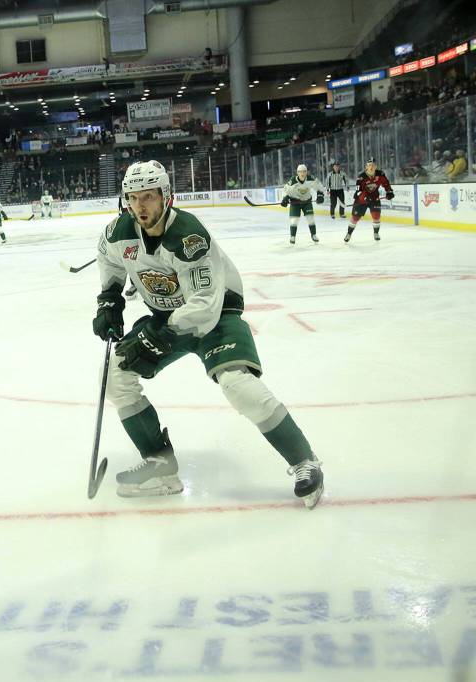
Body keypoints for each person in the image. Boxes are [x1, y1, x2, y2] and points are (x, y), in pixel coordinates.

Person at [91, 160, 323, 509]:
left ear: (166, 196)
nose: (141, 206)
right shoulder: (117, 232)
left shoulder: (188, 236)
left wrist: (163, 336)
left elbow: (204, 304)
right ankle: (160, 465)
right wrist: (109, 299)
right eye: (134, 198)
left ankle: (305, 461)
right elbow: (108, 259)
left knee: (237, 384)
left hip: (216, 316)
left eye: (149, 197)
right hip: (167, 317)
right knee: (115, 375)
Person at [345, 158, 393, 243]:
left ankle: (376, 233)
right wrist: (364, 197)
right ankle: (349, 233)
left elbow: (386, 183)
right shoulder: (361, 177)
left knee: (376, 216)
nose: (371, 167)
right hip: (361, 200)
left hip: (374, 198)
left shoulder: (380, 174)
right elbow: (358, 192)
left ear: (376, 167)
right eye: (369, 165)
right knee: (355, 218)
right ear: (366, 167)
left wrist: (389, 192)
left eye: (373, 165)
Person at [281, 163, 324, 244]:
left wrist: (320, 194)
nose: (302, 173)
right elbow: (285, 190)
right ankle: (292, 236)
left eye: (304, 171)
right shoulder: (293, 180)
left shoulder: (311, 179)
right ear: (297, 173)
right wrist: (285, 198)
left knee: (310, 218)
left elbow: (319, 187)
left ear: (306, 172)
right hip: (295, 203)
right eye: (300, 172)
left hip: (306, 202)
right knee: (294, 220)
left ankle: (314, 235)